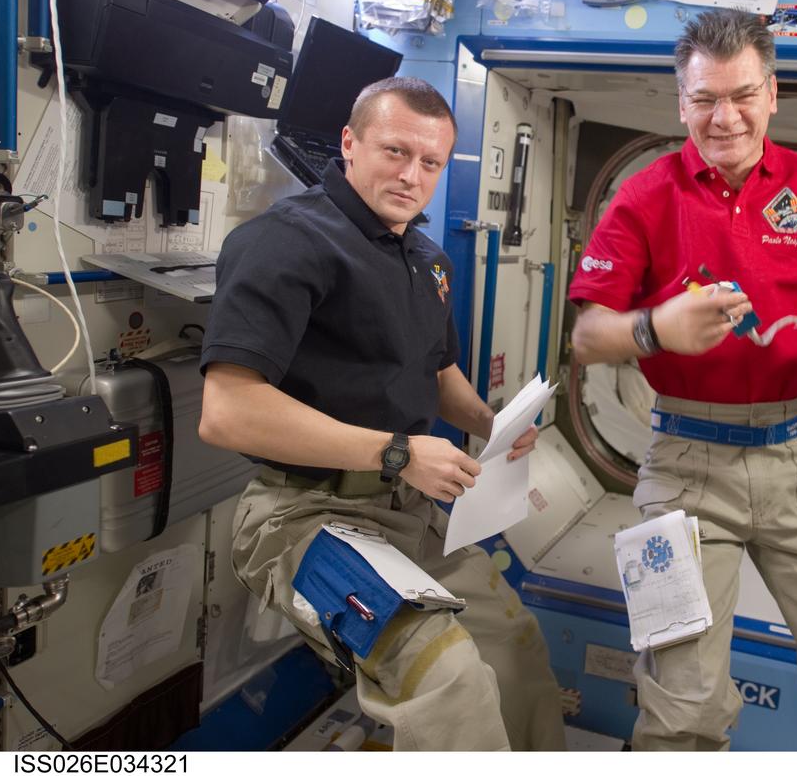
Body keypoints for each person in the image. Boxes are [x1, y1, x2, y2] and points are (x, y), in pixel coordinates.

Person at [568, 9, 797, 751]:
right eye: (704, 100)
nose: (724, 118)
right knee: (682, 713)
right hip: (684, 464)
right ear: (679, 102)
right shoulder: (644, 195)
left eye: (742, 95)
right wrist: (657, 328)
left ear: (773, 93)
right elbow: (586, 338)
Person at [199, 76, 565, 752]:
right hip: (303, 518)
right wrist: (399, 452)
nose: (412, 176)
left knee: (514, 647)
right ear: (349, 143)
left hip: (405, 515)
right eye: (396, 152)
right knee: (448, 677)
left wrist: (493, 424)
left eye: (430, 162)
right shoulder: (287, 240)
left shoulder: (424, 258)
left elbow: (436, 373)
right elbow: (227, 412)